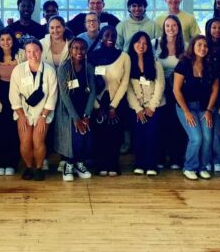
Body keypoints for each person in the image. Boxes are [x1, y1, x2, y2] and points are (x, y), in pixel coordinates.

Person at [9, 40, 59, 181]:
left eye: (35, 51)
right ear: (25, 53)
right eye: (29, 51)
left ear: (41, 51)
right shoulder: (18, 70)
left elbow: (52, 96)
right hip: (23, 112)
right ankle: (29, 166)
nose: (32, 54)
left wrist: (43, 116)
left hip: (43, 113)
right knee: (25, 141)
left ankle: (38, 167)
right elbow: (14, 95)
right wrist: (21, 116)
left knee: (38, 141)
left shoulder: (49, 71)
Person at [173, 35, 219, 180]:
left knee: (207, 137)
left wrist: (209, 110)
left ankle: (203, 167)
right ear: (192, 46)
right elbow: (176, 90)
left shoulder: (212, 65)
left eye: (205, 46)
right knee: (196, 138)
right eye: (199, 45)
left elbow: (215, 90)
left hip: (205, 108)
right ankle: (189, 167)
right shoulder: (183, 63)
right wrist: (186, 112)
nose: (203, 48)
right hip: (186, 107)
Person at [88, 26, 131, 177]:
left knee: (115, 135)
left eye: (113, 35)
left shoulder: (124, 57)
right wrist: (97, 106)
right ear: (101, 37)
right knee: (100, 135)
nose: (110, 38)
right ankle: (101, 164)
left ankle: (113, 163)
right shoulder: (92, 56)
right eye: (106, 35)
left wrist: (113, 106)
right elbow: (89, 83)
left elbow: (125, 83)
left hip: (117, 102)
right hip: (97, 102)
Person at [55, 38, 95, 181]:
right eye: (76, 48)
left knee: (84, 137)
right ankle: (69, 164)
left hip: (84, 108)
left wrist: (86, 114)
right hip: (68, 109)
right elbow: (64, 95)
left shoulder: (88, 67)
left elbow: (92, 92)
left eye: (82, 48)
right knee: (72, 137)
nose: (79, 51)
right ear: (70, 50)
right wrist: (75, 117)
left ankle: (79, 163)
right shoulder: (64, 68)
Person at [126, 31, 165, 176]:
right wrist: (138, 108)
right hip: (136, 107)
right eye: (138, 42)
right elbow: (127, 88)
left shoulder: (155, 63)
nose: (141, 46)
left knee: (152, 135)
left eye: (145, 43)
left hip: (155, 106)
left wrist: (152, 107)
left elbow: (160, 85)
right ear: (133, 44)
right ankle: (139, 163)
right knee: (138, 135)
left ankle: (151, 165)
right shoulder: (128, 62)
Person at [156, 14, 187, 170]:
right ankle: (160, 157)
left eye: (174, 25)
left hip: (179, 90)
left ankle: (176, 158)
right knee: (161, 124)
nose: (170, 28)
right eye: (167, 26)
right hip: (159, 90)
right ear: (163, 28)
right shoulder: (155, 45)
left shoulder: (186, 46)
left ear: (179, 28)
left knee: (177, 125)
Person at [0, 31, 21, 175]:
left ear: (13, 40)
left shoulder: (21, 55)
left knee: (14, 130)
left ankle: (12, 163)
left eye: (9, 39)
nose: (6, 42)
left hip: (17, 96)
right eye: (2, 39)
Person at [203, 18, 220, 173]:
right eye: (214, 27)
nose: (217, 30)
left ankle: (218, 158)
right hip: (203, 92)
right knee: (206, 129)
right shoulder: (203, 44)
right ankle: (205, 159)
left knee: (218, 129)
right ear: (208, 29)